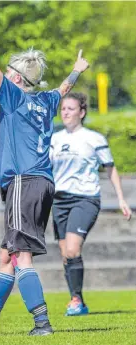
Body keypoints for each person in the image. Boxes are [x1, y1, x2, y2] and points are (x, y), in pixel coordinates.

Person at [0, 5, 89, 336]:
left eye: (9, 71)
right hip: (43, 183)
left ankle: (41, 323)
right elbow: (63, 90)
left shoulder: (13, 96)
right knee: (7, 255)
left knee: (21, 256)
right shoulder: (45, 101)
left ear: (15, 77)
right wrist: (76, 70)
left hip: (22, 180)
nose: (3, 74)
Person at [50, 92, 132, 316]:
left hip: (85, 199)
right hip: (59, 201)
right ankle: (78, 300)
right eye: (63, 109)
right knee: (65, 253)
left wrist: (121, 199)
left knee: (73, 249)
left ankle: (75, 299)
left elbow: (110, 168)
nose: (65, 112)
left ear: (82, 112)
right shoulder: (54, 139)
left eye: (70, 108)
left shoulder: (94, 138)